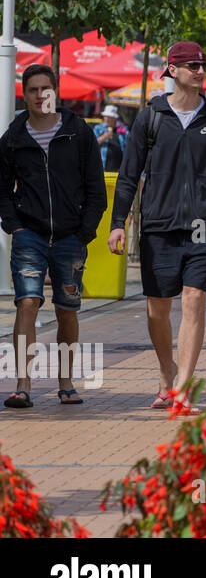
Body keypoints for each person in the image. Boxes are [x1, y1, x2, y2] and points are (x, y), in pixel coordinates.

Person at [107, 42, 206, 412]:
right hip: (159, 224)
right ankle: (167, 374)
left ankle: (182, 389)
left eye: (203, 64)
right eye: (192, 65)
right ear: (172, 70)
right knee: (157, 309)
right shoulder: (151, 117)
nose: (200, 71)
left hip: (203, 225)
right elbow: (128, 175)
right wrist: (119, 223)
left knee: (194, 299)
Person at [0, 64, 107, 409]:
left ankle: (65, 382)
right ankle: (23, 385)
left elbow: (95, 187)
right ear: (25, 94)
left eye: (45, 88)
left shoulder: (78, 132)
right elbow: (1, 189)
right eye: (32, 89)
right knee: (27, 302)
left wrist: (84, 232)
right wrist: (14, 225)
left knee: (67, 310)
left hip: (69, 237)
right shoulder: (13, 138)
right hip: (28, 233)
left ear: (55, 92)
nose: (39, 95)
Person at [94, 105, 126, 173]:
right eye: (105, 116)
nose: (106, 118)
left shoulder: (122, 129)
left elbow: (128, 146)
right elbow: (92, 145)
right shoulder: (98, 128)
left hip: (119, 169)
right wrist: (104, 137)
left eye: (109, 117)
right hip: (102, 168)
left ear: (115, 118)